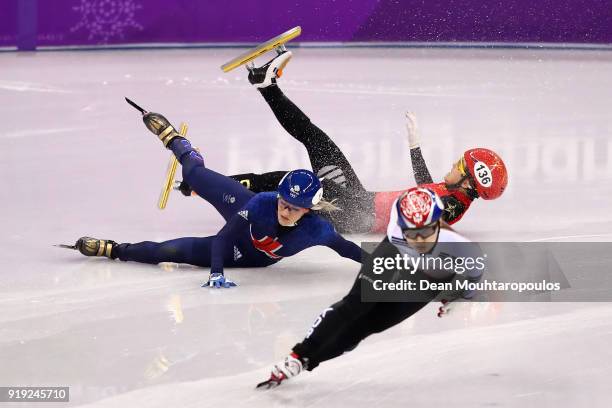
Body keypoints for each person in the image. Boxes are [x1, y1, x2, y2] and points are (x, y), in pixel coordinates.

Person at [179, 51, 508, 233]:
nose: (452, 166)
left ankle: (199, 183)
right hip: (358, 199)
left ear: (471, 181)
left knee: (283, 182)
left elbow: (430, 220)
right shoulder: (452, 195)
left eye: (458, 166)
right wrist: (414, 147)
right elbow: (426, 190)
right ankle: (266, 85)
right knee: (314, 139)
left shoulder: (453, 206)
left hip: (354, 213)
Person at [62, 109, 363, 288]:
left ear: (309, 209)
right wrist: (216, 273)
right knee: (195, 177)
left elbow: (348, 250)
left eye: (294, 209)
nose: (285, 212)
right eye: (284, 203)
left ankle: (114, 250)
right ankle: (179, 145)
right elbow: (223, 238)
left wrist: (385, 265)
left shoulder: (318, 230)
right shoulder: (263, 202)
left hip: (246, 258)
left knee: (169, 251)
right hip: (237, 226)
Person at [256, 187, 484, 389]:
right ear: (400, 226)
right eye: (411, 233)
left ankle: (308, 361)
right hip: (395, 252)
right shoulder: (398, 230)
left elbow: (473, 275)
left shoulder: (460, 248)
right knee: (353, 306)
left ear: (438, 223)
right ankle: (299, 355)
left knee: (365, 327)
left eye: (425, 233)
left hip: (428, 279)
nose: (418, 241)